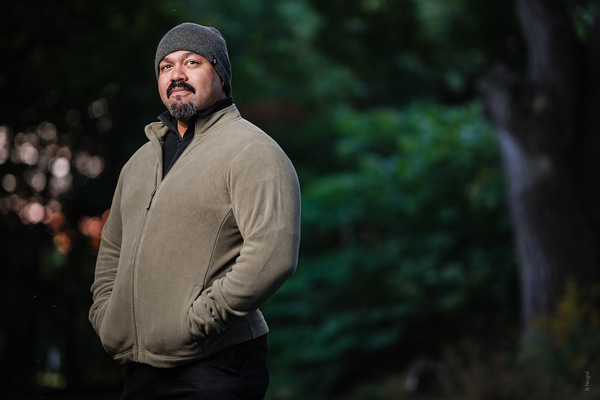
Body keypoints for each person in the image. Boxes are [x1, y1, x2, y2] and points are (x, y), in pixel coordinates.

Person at [88, 22, 301, 400]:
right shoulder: (138, 164)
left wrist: (200, 320)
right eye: (166, 66)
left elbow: (273, 253)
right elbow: (112, 251)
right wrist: (107, 318)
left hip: (217, 363)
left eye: (192, 62)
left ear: (221, 75)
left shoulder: (253, 151)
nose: (177, 75)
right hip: (141, 369)